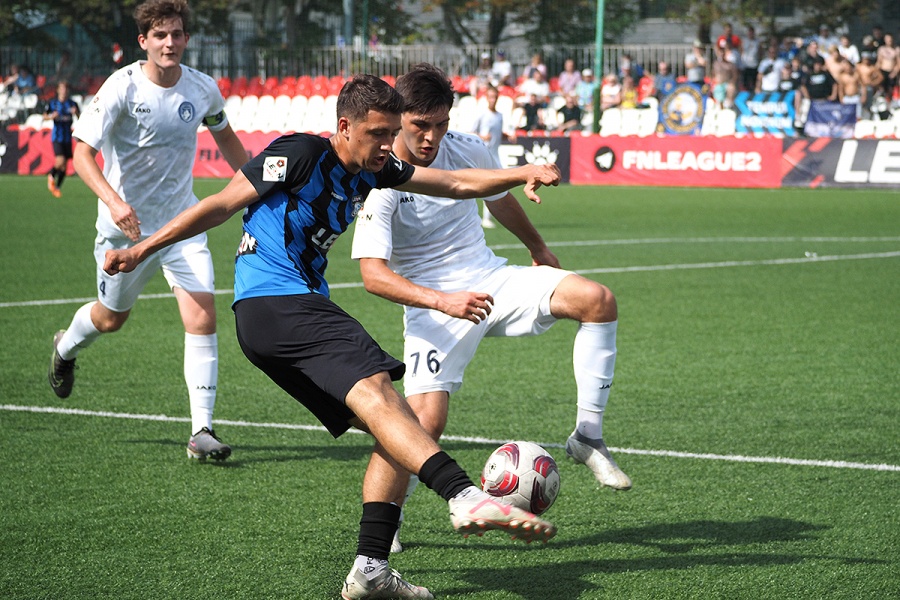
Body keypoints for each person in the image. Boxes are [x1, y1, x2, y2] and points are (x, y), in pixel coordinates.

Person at [103, 71, 561, 600]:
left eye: (391, 133)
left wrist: (522, 171)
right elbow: (221, 204)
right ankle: (464, 496)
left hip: (274, 321)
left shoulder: (378, 169)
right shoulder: (300, 153)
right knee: (384, 397)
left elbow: (457, 184)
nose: (387, 145)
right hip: (279, 302)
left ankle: (371, 569)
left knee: (395, 427)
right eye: (377, 134)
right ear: (344, 127)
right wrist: (142, 249)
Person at [350, 63, 629, 556]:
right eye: (420, 125)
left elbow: (498, 200)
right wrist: (443, 300)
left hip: (492, 279)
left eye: (441, 124)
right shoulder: (381, 180)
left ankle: (588, 436)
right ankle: (388, 518)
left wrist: (537, 247)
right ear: (399, 119)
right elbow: (373, 277)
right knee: (421, 423)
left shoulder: (468, 148)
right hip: (435, 305)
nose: (432, 137)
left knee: (597, 300)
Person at [48, 0, 248, 462]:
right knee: (110, 319)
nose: (169, 43)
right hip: (126, 232)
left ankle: (201, 431)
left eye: (176, 34)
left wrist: (261, 184)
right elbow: (81, 155)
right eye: (160, 35)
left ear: (186, 39)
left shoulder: (202, 89)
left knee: (202, 316)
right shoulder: (121, 87)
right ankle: (66, 347)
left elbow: (226, 138)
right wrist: (115, 203)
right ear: (143, 41)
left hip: (183, 224)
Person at [470, 85, 515, 228]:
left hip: (495, 154)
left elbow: (498, 134)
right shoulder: (482, 115)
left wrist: (507, 136)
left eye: (495, 97)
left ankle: (488, 217)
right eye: (490, 97)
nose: (492, 100)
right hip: (483, 154)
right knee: (487, 186)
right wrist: (482, 136)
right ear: (486, 98)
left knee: (497, 187)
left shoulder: (500, 116)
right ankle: (482, 218)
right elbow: (470, 133)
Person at [42, 81, 80, 198]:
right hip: (57, 137)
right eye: (62, 89)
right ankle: (51, 176)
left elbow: (80, 117)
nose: (64, 91)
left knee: (64, 166)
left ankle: (57, 188)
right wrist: (51, 116)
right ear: (58, 90)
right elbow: (44, 116)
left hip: (68, 137)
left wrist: (76, 113)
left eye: (65, 89)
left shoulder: (72, 103)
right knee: (60, 161)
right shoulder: (53, 103)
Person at [875, 33, 898, 102]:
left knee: (891, 89)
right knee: (881, 88)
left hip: (891, 72)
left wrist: (894, 72)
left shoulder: (896, 49)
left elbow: (898, 63)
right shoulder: (881, 49)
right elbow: (879, 62)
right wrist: (876, 71)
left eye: (890, 39)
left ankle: (891, 102)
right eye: (887, 39)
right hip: (883, 71)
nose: (889, 40)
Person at [741, 25, 761, 91]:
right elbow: (741, 50)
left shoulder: (757, 42)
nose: (750, 34)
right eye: (749, 32)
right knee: (745, 82)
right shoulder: (744, 41)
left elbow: (760, 52)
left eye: (752, 32)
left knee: (754, 81)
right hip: (745, 64)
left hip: (754, 64)